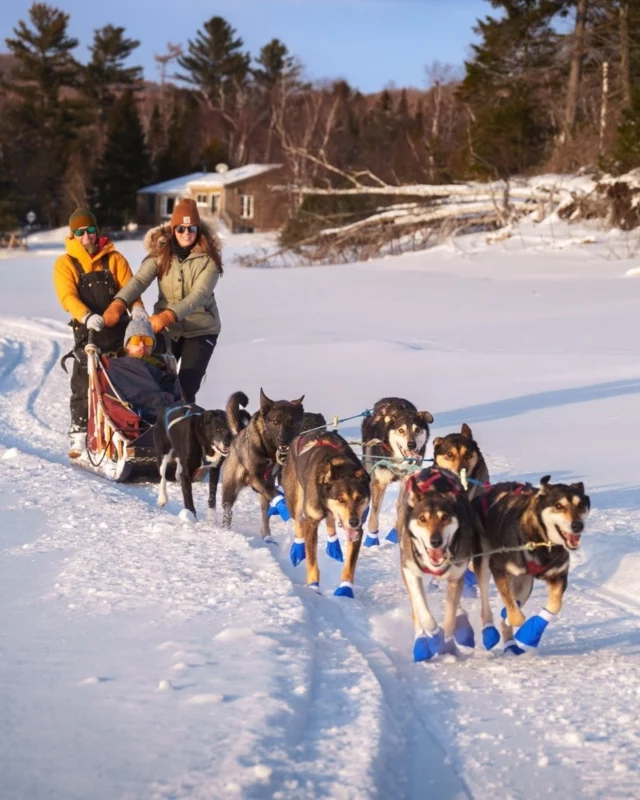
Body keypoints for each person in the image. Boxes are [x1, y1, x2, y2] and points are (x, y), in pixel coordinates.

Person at [106, 198, 223, 404]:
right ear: (173, 229)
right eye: (180, 228)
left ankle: (183, 430)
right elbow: (140, 280)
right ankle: (155, 429)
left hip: (201, 329)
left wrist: (168, 315)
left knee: (186, 387)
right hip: (168, 331)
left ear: (198, 229)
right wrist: (119, 302)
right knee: (157, 381)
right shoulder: (161, 254)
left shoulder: (209, 259)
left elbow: (199, 295)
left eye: (191, 228)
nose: (186, 233)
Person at [53, 207, 146, 458]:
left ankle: (128, 428)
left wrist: (137, 308)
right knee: (84, 379)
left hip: (118, 330)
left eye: (91, 230)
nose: (87, 236)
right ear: (73, 235)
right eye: (81, 232)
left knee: (123, 379)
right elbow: (67, 295)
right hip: (88, 332)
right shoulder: (66, 263)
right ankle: (79, 433)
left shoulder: (114, 258)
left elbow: (130, 287)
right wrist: (85, 315)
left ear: (97, 231)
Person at [107, 318, 182, 424]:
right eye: (137, 341)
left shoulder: (163, 368)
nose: (142, 345)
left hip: (166, 417)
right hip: (139, 417)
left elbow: (175, 396)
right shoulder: (116, 366)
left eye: (147, 341)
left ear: (152, 346)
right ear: (127, 345)